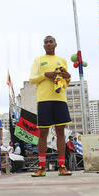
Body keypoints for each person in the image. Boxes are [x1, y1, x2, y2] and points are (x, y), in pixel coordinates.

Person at [29, 36, 72, 177]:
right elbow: (32, 79)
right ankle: (41, 167)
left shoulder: (62, 60)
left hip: (60, 99)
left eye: (51, 41)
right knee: (43, 133)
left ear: (55, 44)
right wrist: (46, 74)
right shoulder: (38, 60)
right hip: (44, 100)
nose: (49, 44)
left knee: (61, 132)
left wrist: (68, 76)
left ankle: (62, 166)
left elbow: (66, 81)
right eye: (46, 42)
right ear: (44, 46)